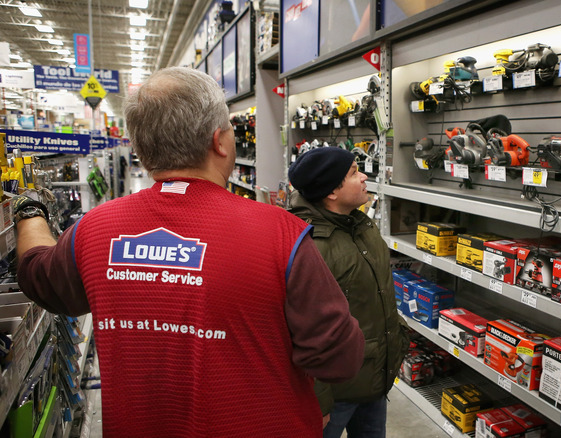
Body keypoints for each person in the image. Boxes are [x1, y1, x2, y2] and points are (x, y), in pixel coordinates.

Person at [14, 67, 364, 438]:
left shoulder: (93, 230)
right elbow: (339, 359)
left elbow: (38, 276)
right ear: (220, 142)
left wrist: (29, 211)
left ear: (141, 148)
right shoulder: (282, 234)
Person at [288, 147, 410, 438]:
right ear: (332, 191)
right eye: (354, 172)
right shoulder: (309, 245)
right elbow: (302, 332)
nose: (365, 176)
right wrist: (318, 401)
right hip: (335, 394)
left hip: (374, 378)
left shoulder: (361, 225)